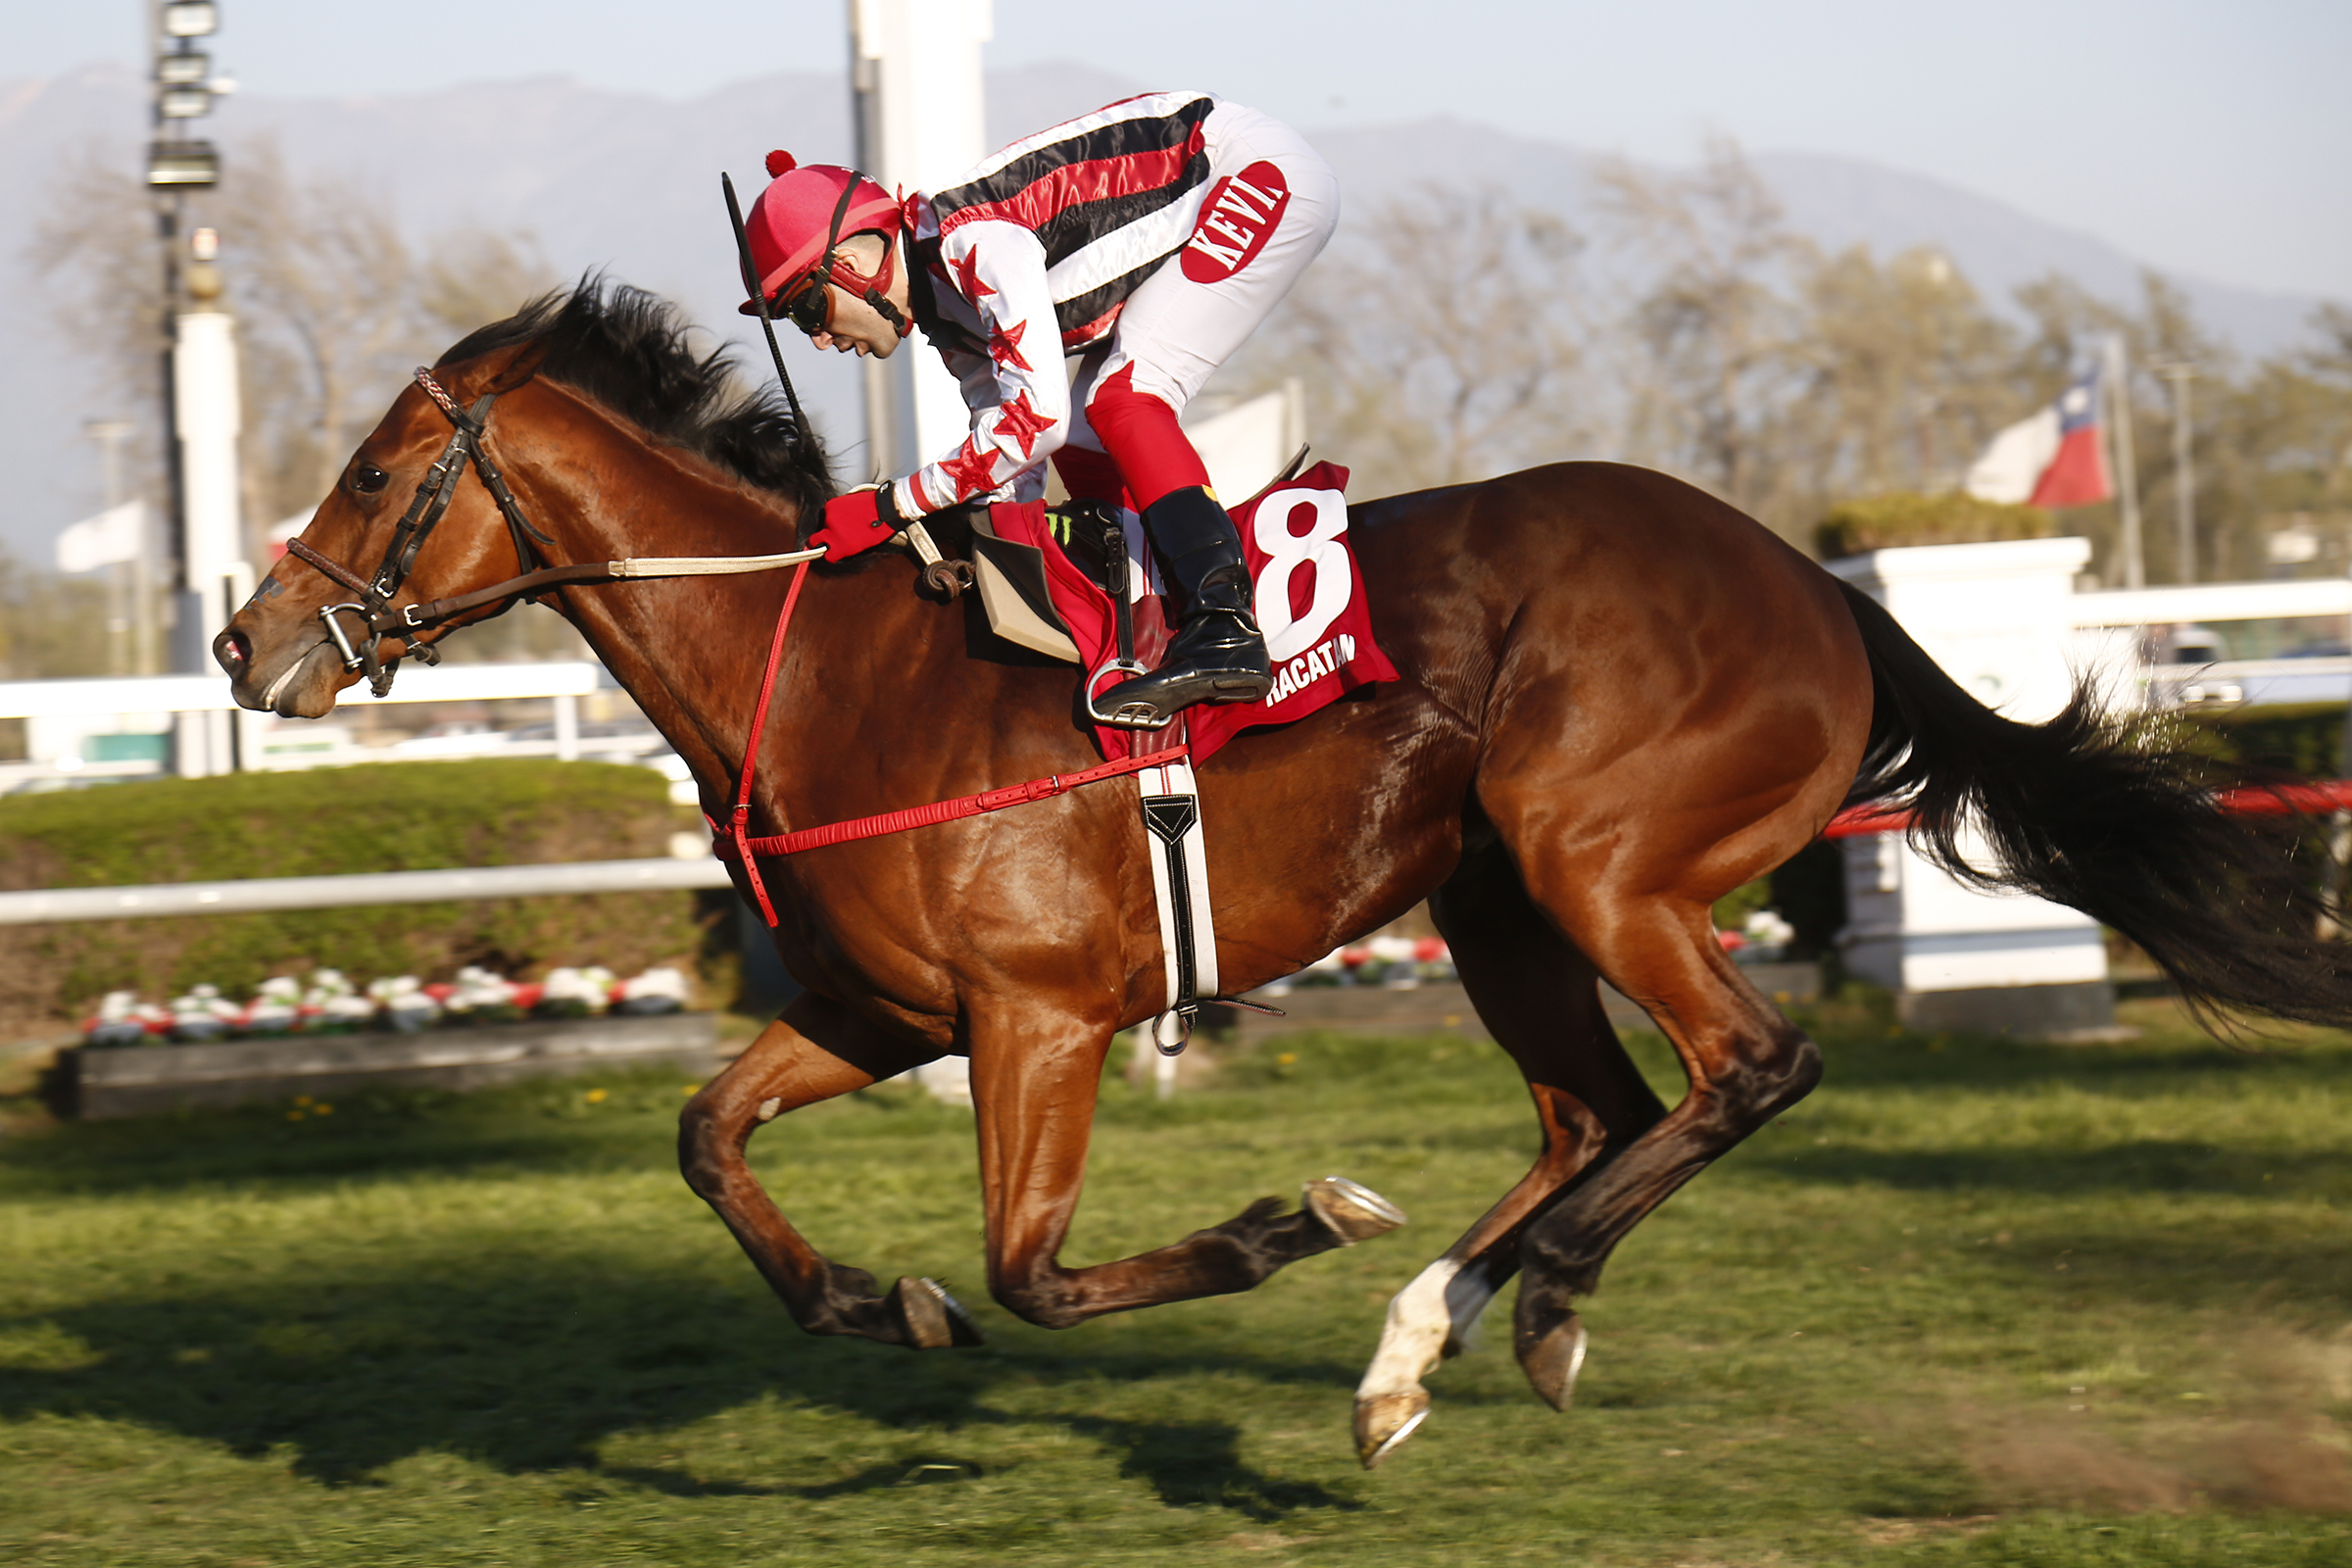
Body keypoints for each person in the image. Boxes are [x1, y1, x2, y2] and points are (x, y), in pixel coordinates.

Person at [736, 90, 1338, 725]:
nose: (820, 339)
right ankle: (1146, 616)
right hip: (1218, 181)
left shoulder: (973, 246)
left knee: (1123, 399)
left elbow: (1036, 421)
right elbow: (1011, 465)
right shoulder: (949, 319)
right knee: (1086, 439)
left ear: (854, 262)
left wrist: (890, 507)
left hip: (1253, 174)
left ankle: (1223, 625)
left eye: (808, 308)